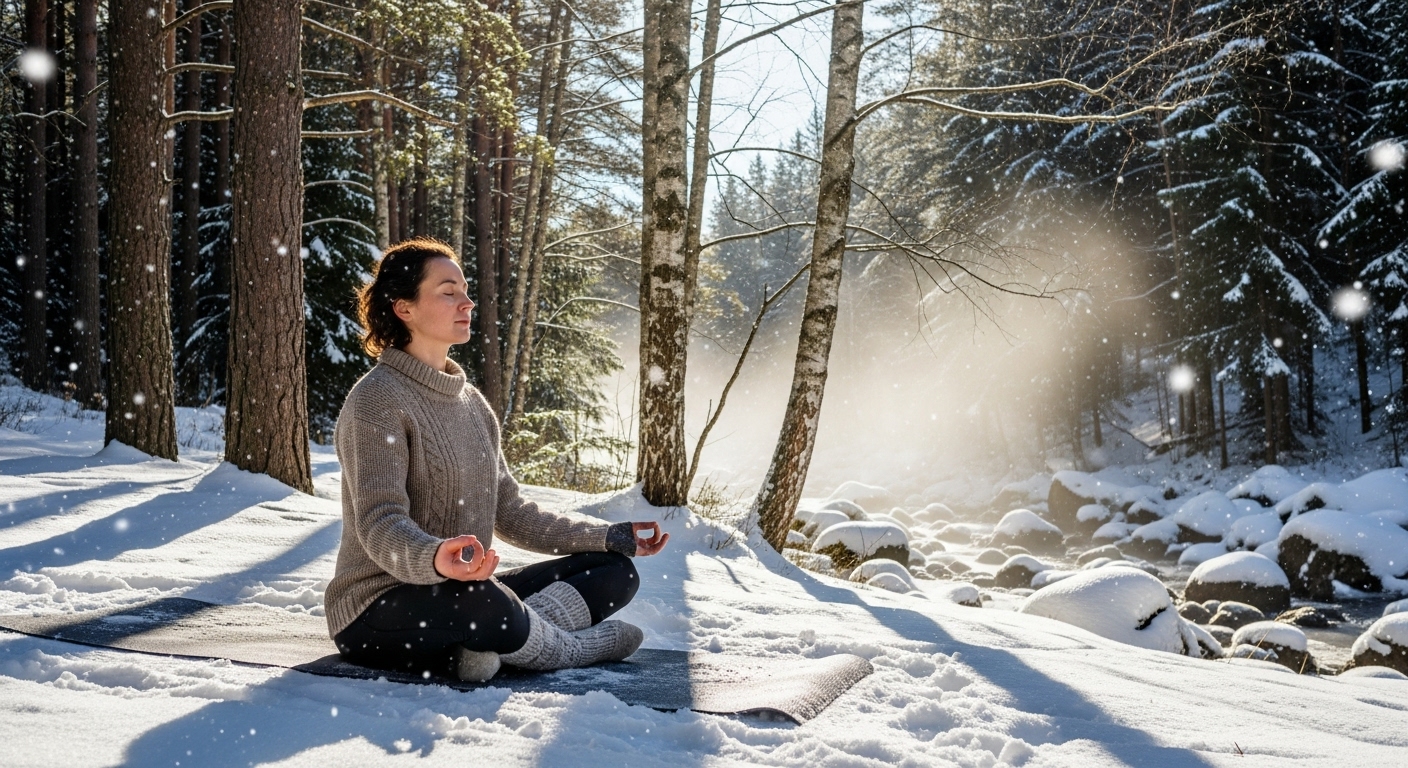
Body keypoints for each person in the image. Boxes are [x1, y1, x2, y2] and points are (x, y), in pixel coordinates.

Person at [324, 237, 668, 682]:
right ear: (404, 308)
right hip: (375, 609)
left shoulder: (472, 405)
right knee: (484, 601)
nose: (466, 303)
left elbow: (511, 512)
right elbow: (380, 523)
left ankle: (487, 648)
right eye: (448, 292)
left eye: (465, 291)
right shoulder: (375, 400)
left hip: (462, 593)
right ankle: (570, 648)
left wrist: (606, 536)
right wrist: (436, 557)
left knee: (613, 571)